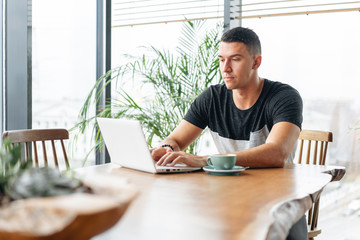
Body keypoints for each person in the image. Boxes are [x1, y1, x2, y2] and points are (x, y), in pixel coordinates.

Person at [151, 27, 306, 239]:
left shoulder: (284, 97)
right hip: (230, 196)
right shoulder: (212, 98)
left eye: (235, 59)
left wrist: (205, 160)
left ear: (256, 62)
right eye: (221, 59)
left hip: (278, 200)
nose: (226, 68)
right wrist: (166, 149)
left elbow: (276, 153)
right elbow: (176, 139)